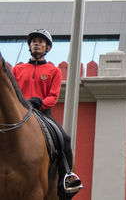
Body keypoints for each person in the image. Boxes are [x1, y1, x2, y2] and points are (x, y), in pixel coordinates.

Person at [12, 29, 82, 199]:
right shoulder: (17, 69)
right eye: (34, 41)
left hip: (43, 113)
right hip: (20, 113)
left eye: (41, 42)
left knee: (64, 139)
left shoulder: (54, 71)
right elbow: (13, 92)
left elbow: (53, 96)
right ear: (29, 46)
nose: (36, 43)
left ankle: (66, 178)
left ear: (47, 48)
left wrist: (40, 103)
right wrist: (23, 104)